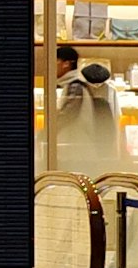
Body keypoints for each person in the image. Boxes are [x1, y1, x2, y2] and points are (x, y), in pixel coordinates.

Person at [49, 42, 119, 177]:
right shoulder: (77, 86)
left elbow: (65, 116)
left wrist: (45, 134)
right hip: (82, 154)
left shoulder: (74, 87)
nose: (52, 66)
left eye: (55, 61)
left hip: (76, 155)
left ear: (66, 64)